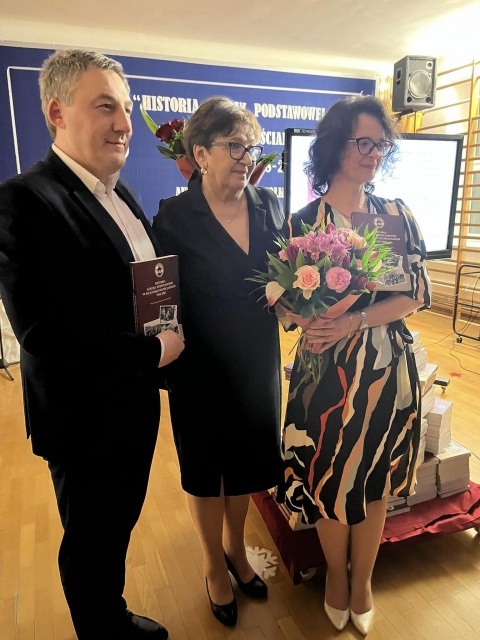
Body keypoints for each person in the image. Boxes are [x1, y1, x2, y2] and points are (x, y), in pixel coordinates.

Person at [0, 49, 184, 639]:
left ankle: (112, 614)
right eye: (106, 106)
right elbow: (44, 332)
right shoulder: (23, 200)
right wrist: (154, 354)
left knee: (115, 528)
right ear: (57, 112)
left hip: (134, 405)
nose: (125, 123)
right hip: (82, 421)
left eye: (126, 108)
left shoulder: (120, 194)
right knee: (90, 541)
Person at [278, 95, 432, 635]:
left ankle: (362, 581)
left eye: (379, 144)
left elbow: (415, 293)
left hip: (385, 367)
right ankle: (335, 580)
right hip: (324, 372)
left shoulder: (395, 215)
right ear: (333, 146)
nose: (372, 153)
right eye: (361, 142)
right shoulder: (301, 222)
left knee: (374, 478)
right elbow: (282, 302)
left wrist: (353, 321)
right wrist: (296, 311)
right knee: (328, 476)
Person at [151, 96, 285, 627]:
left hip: (256, 359)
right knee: (207, 472)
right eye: (234, 146)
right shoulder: (174, 216)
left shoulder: (269, 205)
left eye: (250, 147)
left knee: (247, 465)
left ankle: (236, 548)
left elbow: (285, 277)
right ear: (201, 154)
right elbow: (161, 299)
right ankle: (213, 564)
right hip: (200, 366)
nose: (246, 157)